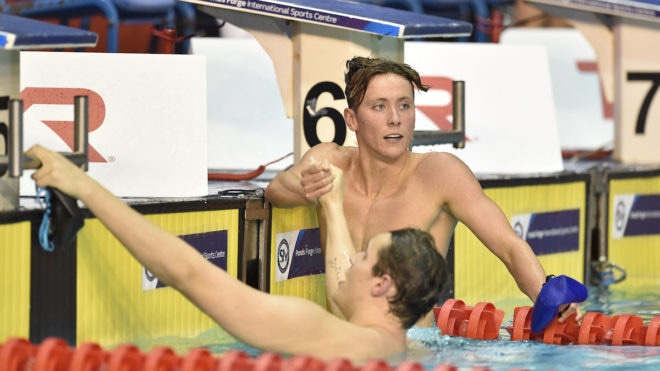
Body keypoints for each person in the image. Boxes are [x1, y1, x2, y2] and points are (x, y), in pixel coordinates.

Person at [26, 144, 448, 362]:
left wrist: (85, 188)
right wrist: (331, 206)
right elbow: (343, 285)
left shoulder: (318, 330)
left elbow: (188, 273)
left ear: (382, 284)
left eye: (365, 255)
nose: (351, 259)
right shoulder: (406, 349)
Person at [264, 56, 582, 325]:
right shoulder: (330, 163)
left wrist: (547, 295)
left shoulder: (440, 174)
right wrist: (306, 186)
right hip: (343, 348)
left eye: (405, 106)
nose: (395, 120)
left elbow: (509, 246)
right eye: (379, 107)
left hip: (411, 350)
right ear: (352, 119)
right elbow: (277, 190)